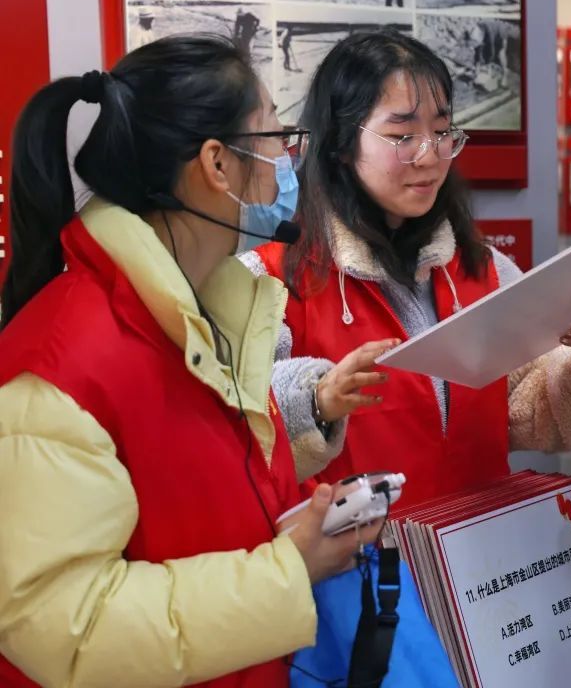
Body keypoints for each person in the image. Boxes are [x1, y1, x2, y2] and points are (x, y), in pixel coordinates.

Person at [242, 29, 571, 686]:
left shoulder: (481, 268)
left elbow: (531, 415)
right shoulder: (273, 281)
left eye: (443, 132)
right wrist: (313, 399)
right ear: (341, 143)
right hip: (363, 598)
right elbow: (237, 439)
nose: (429, 156)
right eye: (402, 135)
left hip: (490, 579)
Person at [0, 35, 372, 687]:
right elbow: (66, 630)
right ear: (217, 165)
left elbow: (186, 496)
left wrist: (308, 523)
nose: (288, 161)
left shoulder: (199, 320)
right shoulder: (64, 363)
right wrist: (288, 571)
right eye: (274, 136)